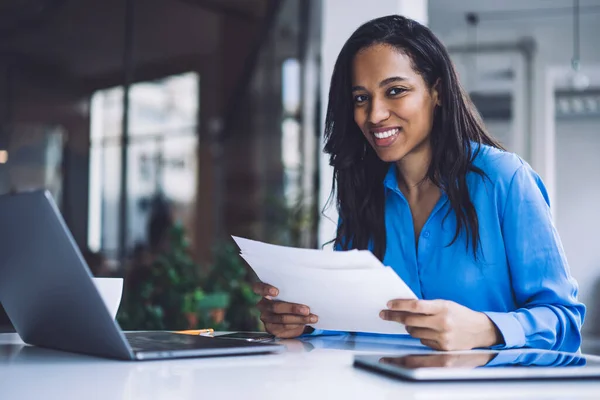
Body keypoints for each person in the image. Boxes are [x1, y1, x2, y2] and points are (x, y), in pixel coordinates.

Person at [252, 15, 585, 351]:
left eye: (395, 91)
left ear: (436, 91)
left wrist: (487, 328)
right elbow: (354, 323)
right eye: (360, 98)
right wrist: (302, 322)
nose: (375, 114)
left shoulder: (505, 180)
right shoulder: (364, 193)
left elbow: (564, 321)